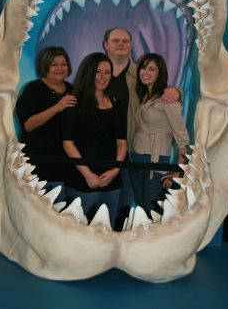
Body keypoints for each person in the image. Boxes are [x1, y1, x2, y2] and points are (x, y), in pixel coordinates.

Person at [103, 28, 181, 228]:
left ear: (130, 45)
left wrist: (177, 91)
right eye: (115, 40)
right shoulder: (98, 73)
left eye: (125, 41)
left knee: (130, 209)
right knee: (101, 210)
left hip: (132, 157)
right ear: (106, 44)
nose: (121, 44)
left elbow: (165, 93)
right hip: (100, 154)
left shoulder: (140, 76)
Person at [62, 53, 127, 226]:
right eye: (98, 72)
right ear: (89, 72)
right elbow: (68, 143)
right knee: (80, 233)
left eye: (107, 72)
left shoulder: (116, 103)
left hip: (111, 180)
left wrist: (115, 170)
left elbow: (122, 142)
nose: (103, 77)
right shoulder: (74, 102)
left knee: (108, 231)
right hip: (82, 179)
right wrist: (88, 174)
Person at [129, 53, 189, 217]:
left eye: (151, 69)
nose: (145, 72)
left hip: (155, 167)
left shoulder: (167, 99)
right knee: (141, 211)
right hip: (135, 164)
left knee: (152, 216)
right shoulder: (144, 97)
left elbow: (182, 138)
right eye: (143, 67)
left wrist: (178, 172)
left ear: (160, 73)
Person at [16, 46, 77, 201]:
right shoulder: (33, 89)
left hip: (68, 165)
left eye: (63, 64)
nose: (60, 68)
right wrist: (57, 107)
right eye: (54, 64)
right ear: (45, 65)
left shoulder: (72, 90)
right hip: (41, 164)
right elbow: (28, 125)